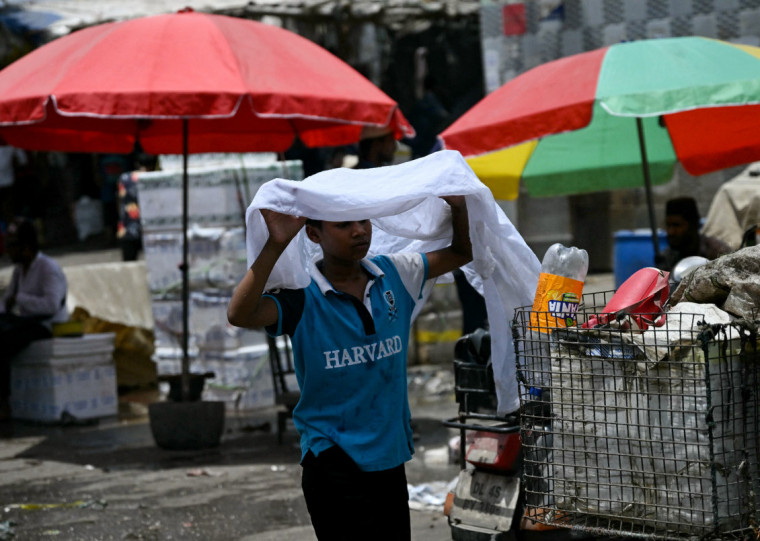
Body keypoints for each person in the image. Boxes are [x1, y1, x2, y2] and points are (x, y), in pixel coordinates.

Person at [227, 196, 472, 541]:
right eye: (343, 225)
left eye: (363, 222)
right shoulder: (302, 296)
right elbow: (240, 314)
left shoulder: (396, 273)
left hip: (388, 455)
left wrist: (458, 207)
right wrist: (275, 245)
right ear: (314, 235)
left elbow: (462, 253)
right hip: (332, 457)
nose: (358, 231)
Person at [0, 218, 68, 420]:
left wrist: (20, 299)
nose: (8, 252)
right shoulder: (19, 271)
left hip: (47, 325)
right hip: (27, 322)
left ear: (26, 247)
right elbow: (7, 302)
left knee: (2, 343)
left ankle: (5, 403)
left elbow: (51, 305)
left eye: (12, 246)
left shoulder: (48, 268)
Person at [658, 196, 732, 272]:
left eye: (677, 225)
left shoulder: (717, 252)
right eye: (668, 225)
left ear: (693, 225)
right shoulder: (666, 258)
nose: (671, 232)